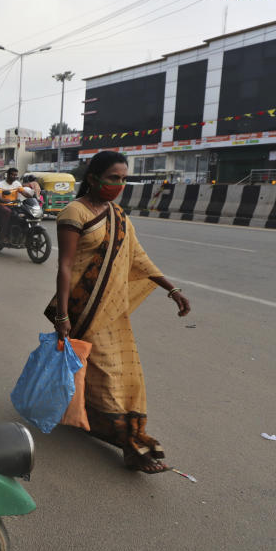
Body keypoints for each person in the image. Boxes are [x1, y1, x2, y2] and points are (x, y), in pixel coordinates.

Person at [48, 150, 191, 474]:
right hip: (83, 311)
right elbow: (66, 266)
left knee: (125, 379)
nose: (120, 184)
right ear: (95, 177)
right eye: (114, 177)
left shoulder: (118, 215)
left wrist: (172, 289)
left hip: (112, 314)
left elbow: (138, 258)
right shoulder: (75, 212)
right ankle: (130, 445)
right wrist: (63, 316)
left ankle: (99, 425)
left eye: (124, 179)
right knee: (110, 378)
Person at [0, 167, 33, 241]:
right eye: (12, 175)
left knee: (26, 213)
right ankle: (3, 235)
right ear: (8, 175)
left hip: (14, 205)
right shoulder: (0, 185)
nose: (14, 177)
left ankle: (22, 232)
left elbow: (24, 193)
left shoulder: (17, 183)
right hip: (2, 205)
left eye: (15, 175)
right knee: (8, 213)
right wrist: (6, 200)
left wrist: (34, 198)